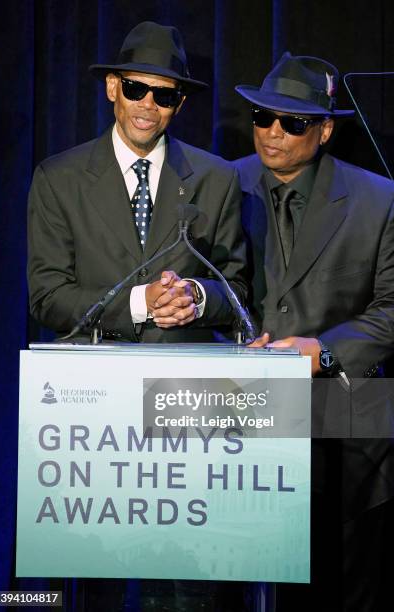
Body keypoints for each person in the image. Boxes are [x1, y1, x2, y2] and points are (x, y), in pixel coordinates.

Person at [234, 52, 394, 611]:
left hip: (345, 419)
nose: (273, 133)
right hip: (241, 416)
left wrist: (323, 351)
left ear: (325, 129)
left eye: (293, 122)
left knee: (342, 586)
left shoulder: (379, 199)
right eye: (262, 117)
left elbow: (392, 307)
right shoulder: (219, 186)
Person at [28, 21, 247, 344]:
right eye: (135, 89)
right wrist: (138, 302)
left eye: (164, 96)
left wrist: (197, 298)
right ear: (112, 87)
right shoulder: (59, 178)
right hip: (92, 379)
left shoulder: (217, 177)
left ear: (180, 104)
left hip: (182, 383)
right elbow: (47, 298)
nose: (148, 104)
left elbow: (237, 289)